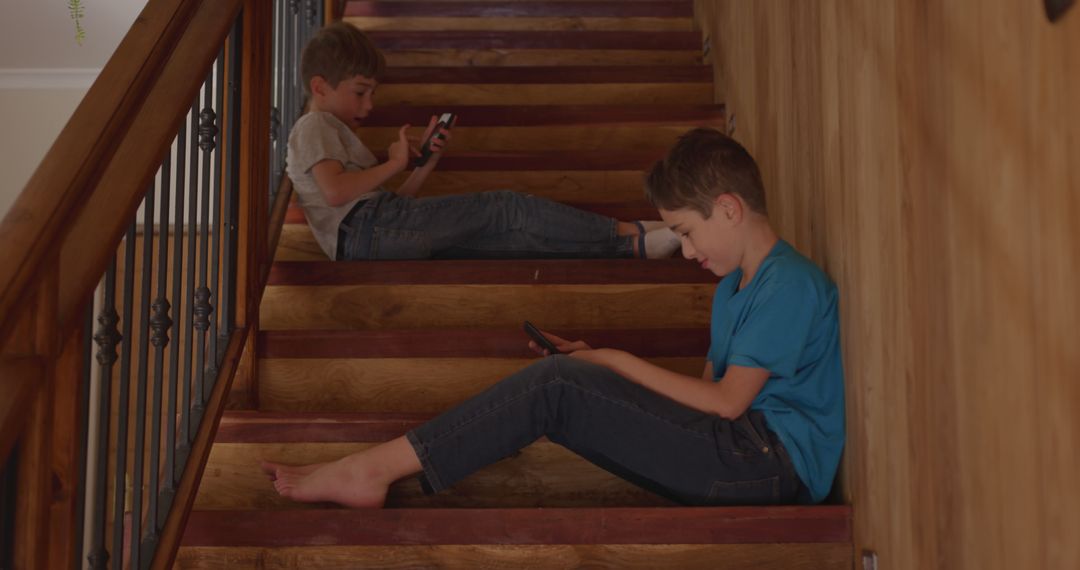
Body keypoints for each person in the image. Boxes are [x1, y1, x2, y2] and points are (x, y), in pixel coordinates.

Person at [262, 127, 846, 507]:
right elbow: (707, 396)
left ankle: (371, 470)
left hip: (768, 468)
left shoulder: (788, 282)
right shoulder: (733, 290)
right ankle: (375, 468)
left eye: (688, 234)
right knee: (566, 385)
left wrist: (611, 361)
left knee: (561, 384)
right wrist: (602, 368)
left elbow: (726, 403)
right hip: (739, 452)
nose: (688, 253)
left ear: (729, 209)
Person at [286, 22, 680, 261]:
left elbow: (390, 209)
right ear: (320, 86)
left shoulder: (332, 131)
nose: (369, 105)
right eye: (360, 92)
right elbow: (336, 193)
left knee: (509, 239)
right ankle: (628, 231)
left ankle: (631, 248)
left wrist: (425, 163)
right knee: (506, 208)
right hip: (368, 234)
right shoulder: (312, 125)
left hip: (374, 235)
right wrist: (391, 164)